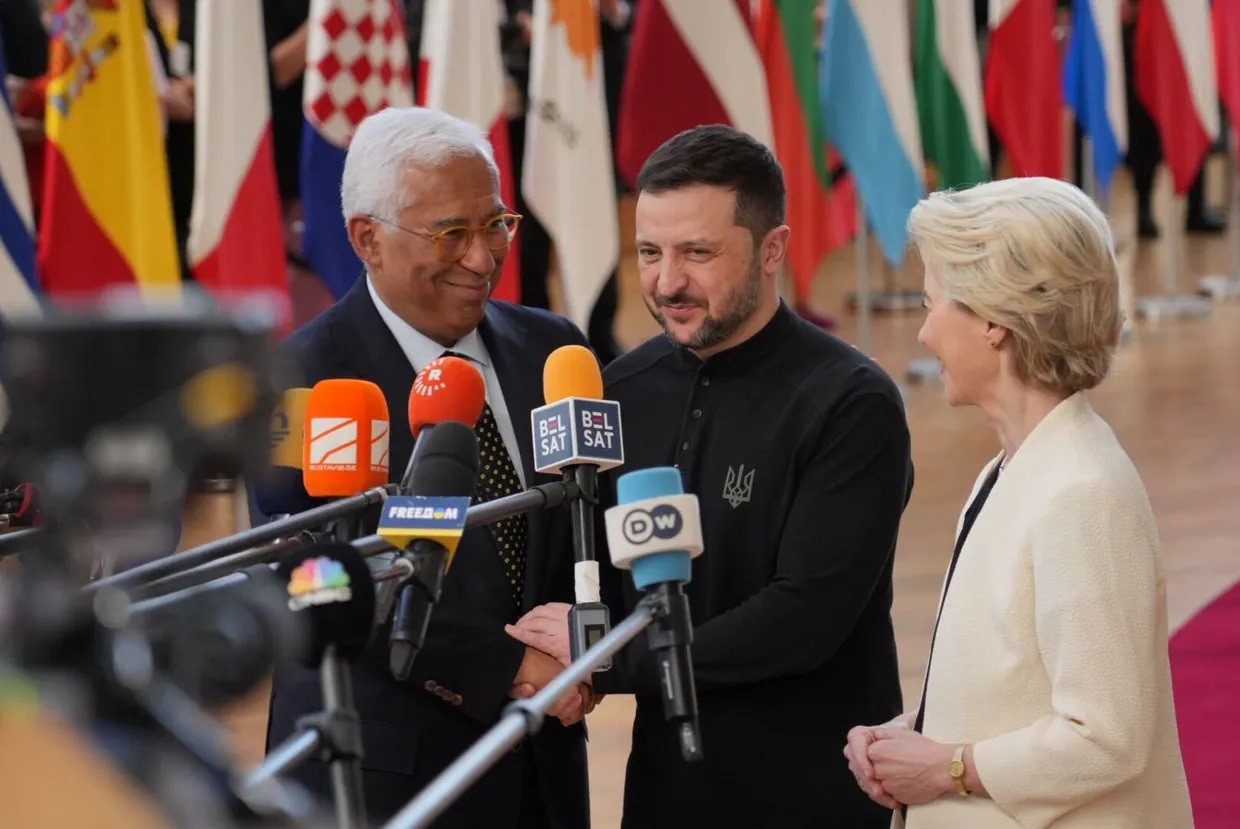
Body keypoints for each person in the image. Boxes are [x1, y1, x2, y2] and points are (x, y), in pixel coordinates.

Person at [507, 124, 914, 827]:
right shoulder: (617, 390)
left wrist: (602, 658)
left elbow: (803, 619)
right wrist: (564, 661)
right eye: (649, 253)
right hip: (664, 796)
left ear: (772, 249)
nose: (667, 282)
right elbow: (589, 578)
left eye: (697, 252)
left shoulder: (852, 403)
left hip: (814, 797)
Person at [262, 107, 593, 828]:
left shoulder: (554, 351)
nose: (482, 259)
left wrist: (588, 646)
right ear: (367, 239)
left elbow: (590, 521)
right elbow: (314, 576)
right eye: (450, 234)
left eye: (496, 224)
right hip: (386, 778)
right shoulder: (301, 380)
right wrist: (506, 668)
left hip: (546, 774)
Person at [845, 177, 1194, 828]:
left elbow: (1106, 737)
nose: (922, 333)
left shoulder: (1083, 493)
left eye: (931, 305)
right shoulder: (1013, 467)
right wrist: (917, 735)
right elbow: (1018, 686)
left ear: (993, 320)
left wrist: (947, 766)